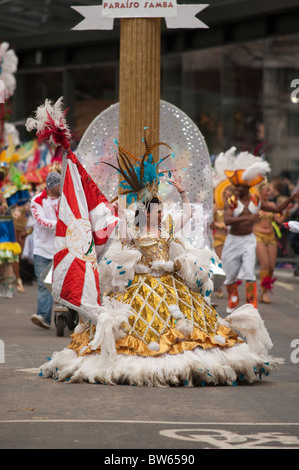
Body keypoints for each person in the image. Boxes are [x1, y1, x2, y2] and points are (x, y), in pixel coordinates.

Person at [39, 133, 282, 386]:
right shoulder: (132, 231)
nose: (161, 212)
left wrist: (182, 193)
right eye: (156, 209)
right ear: (146, 212)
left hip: (170, 285)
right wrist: (123, 207)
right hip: (140, 287)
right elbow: (118, 233)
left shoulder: (167, 226)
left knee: (190, 327)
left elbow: (186, 214)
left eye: (161, 209)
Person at [222, 170, 299, 314]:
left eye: (239, 186)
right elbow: (227, 220)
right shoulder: (232, 201)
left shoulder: (256, 201)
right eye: (236, 186)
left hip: (249, 240)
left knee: (250, 273)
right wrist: (247, 219)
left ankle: (251, 306)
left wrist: (292, 198)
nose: (236, 189)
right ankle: (233, 296)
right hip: (232, 241)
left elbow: (276, 209)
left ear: (247, 187)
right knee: (230, 275)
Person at [30, 171, 61, 329]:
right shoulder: (37, 201)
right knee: (43, 283)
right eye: (58, 184)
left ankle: (68, 314)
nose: (60, 187)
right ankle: (43, 317)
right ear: (52, 186)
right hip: (42, 249)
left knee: (61, 284)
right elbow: (42, 222)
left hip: (60, 249)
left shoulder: (64, 200)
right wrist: (63, 224)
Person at [253, 182, 292, 303]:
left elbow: (279, 220)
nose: (268, 193)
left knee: (271, 267)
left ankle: (264, 290)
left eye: (269, 191)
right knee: (264, 263)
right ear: (260, 191)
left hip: (271, 237)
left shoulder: (271, 205)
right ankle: (263, 292)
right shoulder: (254, 205)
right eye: (266, 191)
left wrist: (287, 212)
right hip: (258, 236)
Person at [0, 162, 22, 298]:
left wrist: (3, 206)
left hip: (4, 228)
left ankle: (9, 287)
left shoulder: (3, 192)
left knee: (6, 259)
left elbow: (4, 205)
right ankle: (3, 285)